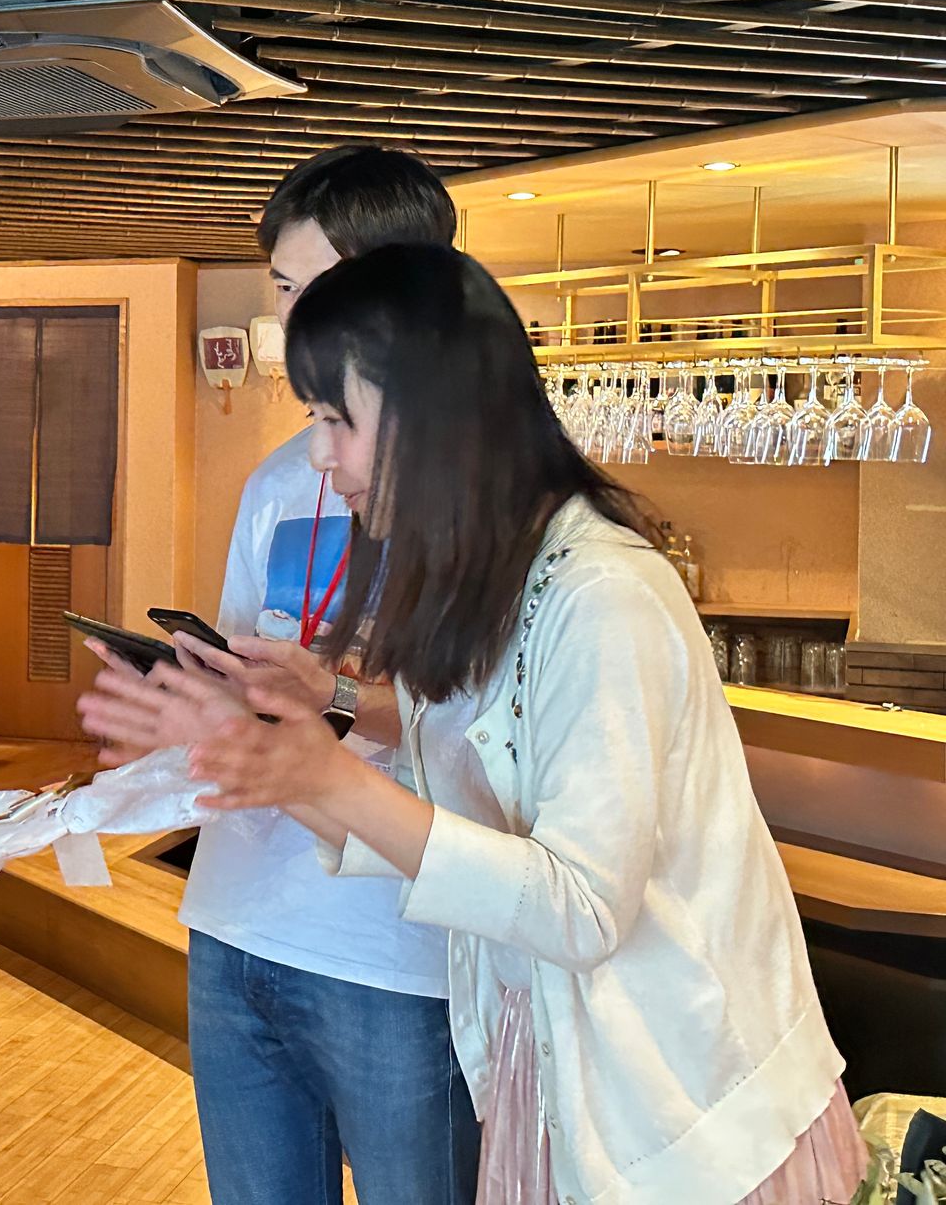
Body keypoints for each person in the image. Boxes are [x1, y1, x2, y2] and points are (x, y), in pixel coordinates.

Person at [83, 244, 868, 1204]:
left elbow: (582, 907)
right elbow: (450, 799)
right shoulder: (485, 587)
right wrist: (282, 741)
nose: (321, 459)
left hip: (685, 1117)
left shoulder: (603, 594)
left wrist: (323, 774)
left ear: (436, 414)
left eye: (337, 420)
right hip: (566, 1084)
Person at [176, 146, 480, 1205]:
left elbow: (482, 728)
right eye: (282, 288)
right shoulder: (280, 477)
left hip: (395, 950)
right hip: (232, 920)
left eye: (323, 288)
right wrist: (188, 697)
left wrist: (337, 700)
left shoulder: (493, 499)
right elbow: (246, 663)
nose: (296, 317)